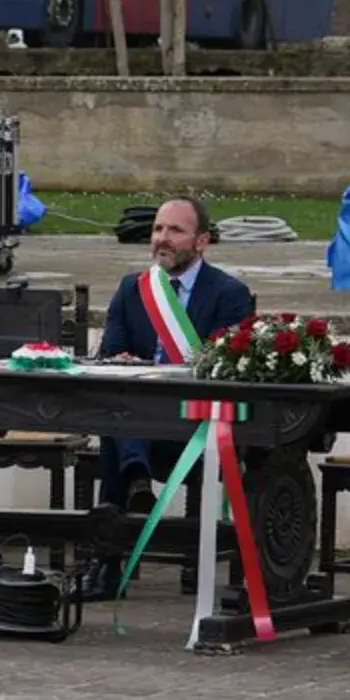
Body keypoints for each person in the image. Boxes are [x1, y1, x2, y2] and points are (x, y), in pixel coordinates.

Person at [84, 196, 254, 599]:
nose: (162, 239)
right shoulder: (133, 289)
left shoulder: (229, 293)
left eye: (175, 230)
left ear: (202, 241)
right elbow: (111, 353)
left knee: (120, 430)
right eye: (158, 229)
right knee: (116, 421)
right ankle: (112, 553)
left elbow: (224, 366)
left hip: (195, 427)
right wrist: (122, 359)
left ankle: (128, 503)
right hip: (140, 424)